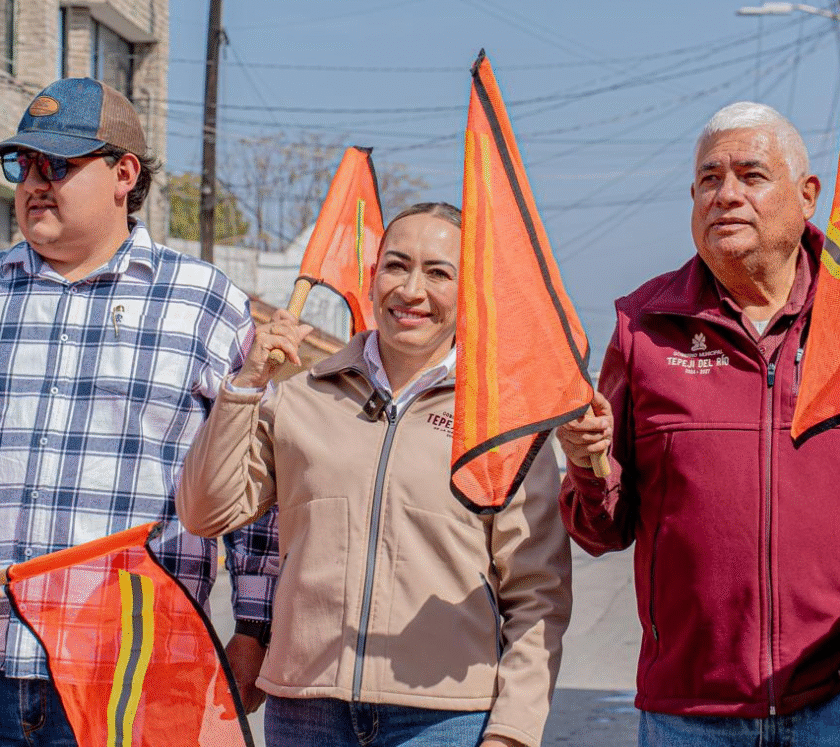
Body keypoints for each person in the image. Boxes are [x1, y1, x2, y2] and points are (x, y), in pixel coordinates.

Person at [177, 202, 572, 747]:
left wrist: (511, 733)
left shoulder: (503, 422)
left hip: (444, 719)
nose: (411, 290)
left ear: (473, 290)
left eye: (438, 273)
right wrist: (246, 386)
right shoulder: (299, 399)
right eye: (396, 266)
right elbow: (205, 512)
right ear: (371, 276)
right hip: (305, 710)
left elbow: (538, 595)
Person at [557, 101, 840, 746]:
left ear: (807, 195)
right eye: (709, 179)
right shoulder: (645, 327)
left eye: (751, 175)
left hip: (832, 700)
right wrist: (587, 461)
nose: (726, 195)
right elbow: (601, 530)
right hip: (690, 713)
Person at [0, 77, 271, 745]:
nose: (33, 184)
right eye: (21, 164)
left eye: (55, 164)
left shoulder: (204, 304)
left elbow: (254, 485)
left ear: (124, 174)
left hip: (130, 673)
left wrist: (254, 628)